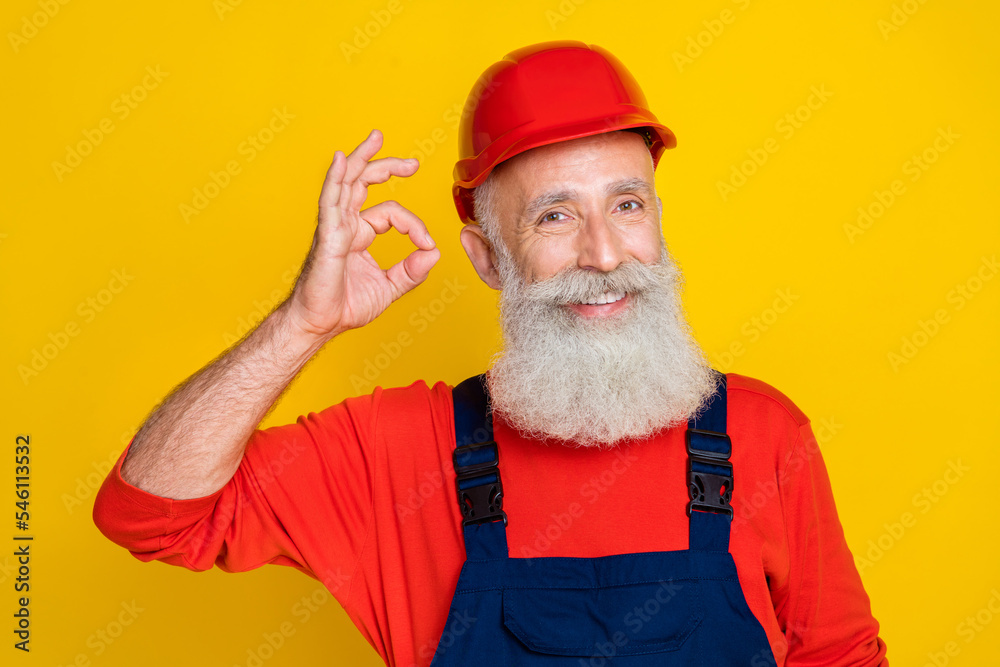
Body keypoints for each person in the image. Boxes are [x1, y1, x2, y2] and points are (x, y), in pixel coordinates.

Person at [93, 41, 889, 666]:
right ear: (486, 257)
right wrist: (302, 325)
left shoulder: (763, 434)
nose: (606, 254)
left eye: (627, 203)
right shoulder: (399, 450)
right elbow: (150, 513)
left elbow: (841, 656)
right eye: (553, 217)